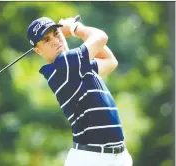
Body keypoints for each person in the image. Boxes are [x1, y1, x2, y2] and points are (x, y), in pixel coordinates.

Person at [27, 16, 133, 166]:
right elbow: (101, 37)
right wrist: (75, 28)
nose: (55, 41)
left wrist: (71, 31)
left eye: (56, 33)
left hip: (117, 157)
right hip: (91, 159)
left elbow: (110, 62)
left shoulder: (76, 66)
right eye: (46, 40)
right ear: (38, 50)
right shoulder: (64, 65)